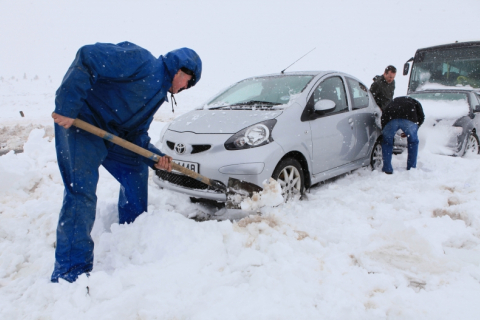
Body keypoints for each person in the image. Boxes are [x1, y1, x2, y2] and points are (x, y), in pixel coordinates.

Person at [50, 42, 202, 283]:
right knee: (81, 192)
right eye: (188, 82)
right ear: (180, 71)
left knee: (135, 170)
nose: (186, 88)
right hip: (82, 124)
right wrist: (67, 105)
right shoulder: (142, 62)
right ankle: (70, 273)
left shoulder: (156, 96)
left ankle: (132, 235)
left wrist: (154, 157)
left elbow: (136, 135)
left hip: (113, 136)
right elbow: (89, 56)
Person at [381, 96, 425, 174]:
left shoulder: (393, 102)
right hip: (409, 118)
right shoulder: (415, 102)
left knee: (387, 143)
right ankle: (411, 168)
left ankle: (387, 168)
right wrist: (414, 129)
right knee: (413, 142)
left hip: (391, 118)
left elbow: (384, 115)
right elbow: (421, 116)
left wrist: (384, 130)